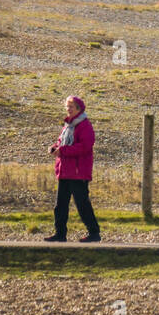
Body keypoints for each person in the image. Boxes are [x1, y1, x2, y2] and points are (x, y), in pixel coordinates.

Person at [44, 95, 100, 243]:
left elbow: (85, 147)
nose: (68, 109)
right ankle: (60, 233)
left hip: (78, 172)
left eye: (71, 107)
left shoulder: (85, 126)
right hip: (64, 170)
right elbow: (60, 141)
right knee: (60, 204)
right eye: (67, 106)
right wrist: (55, 148)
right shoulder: (68, 126)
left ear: (79, 109)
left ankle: (94, 232)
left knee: (82, 204)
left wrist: (62, 151)